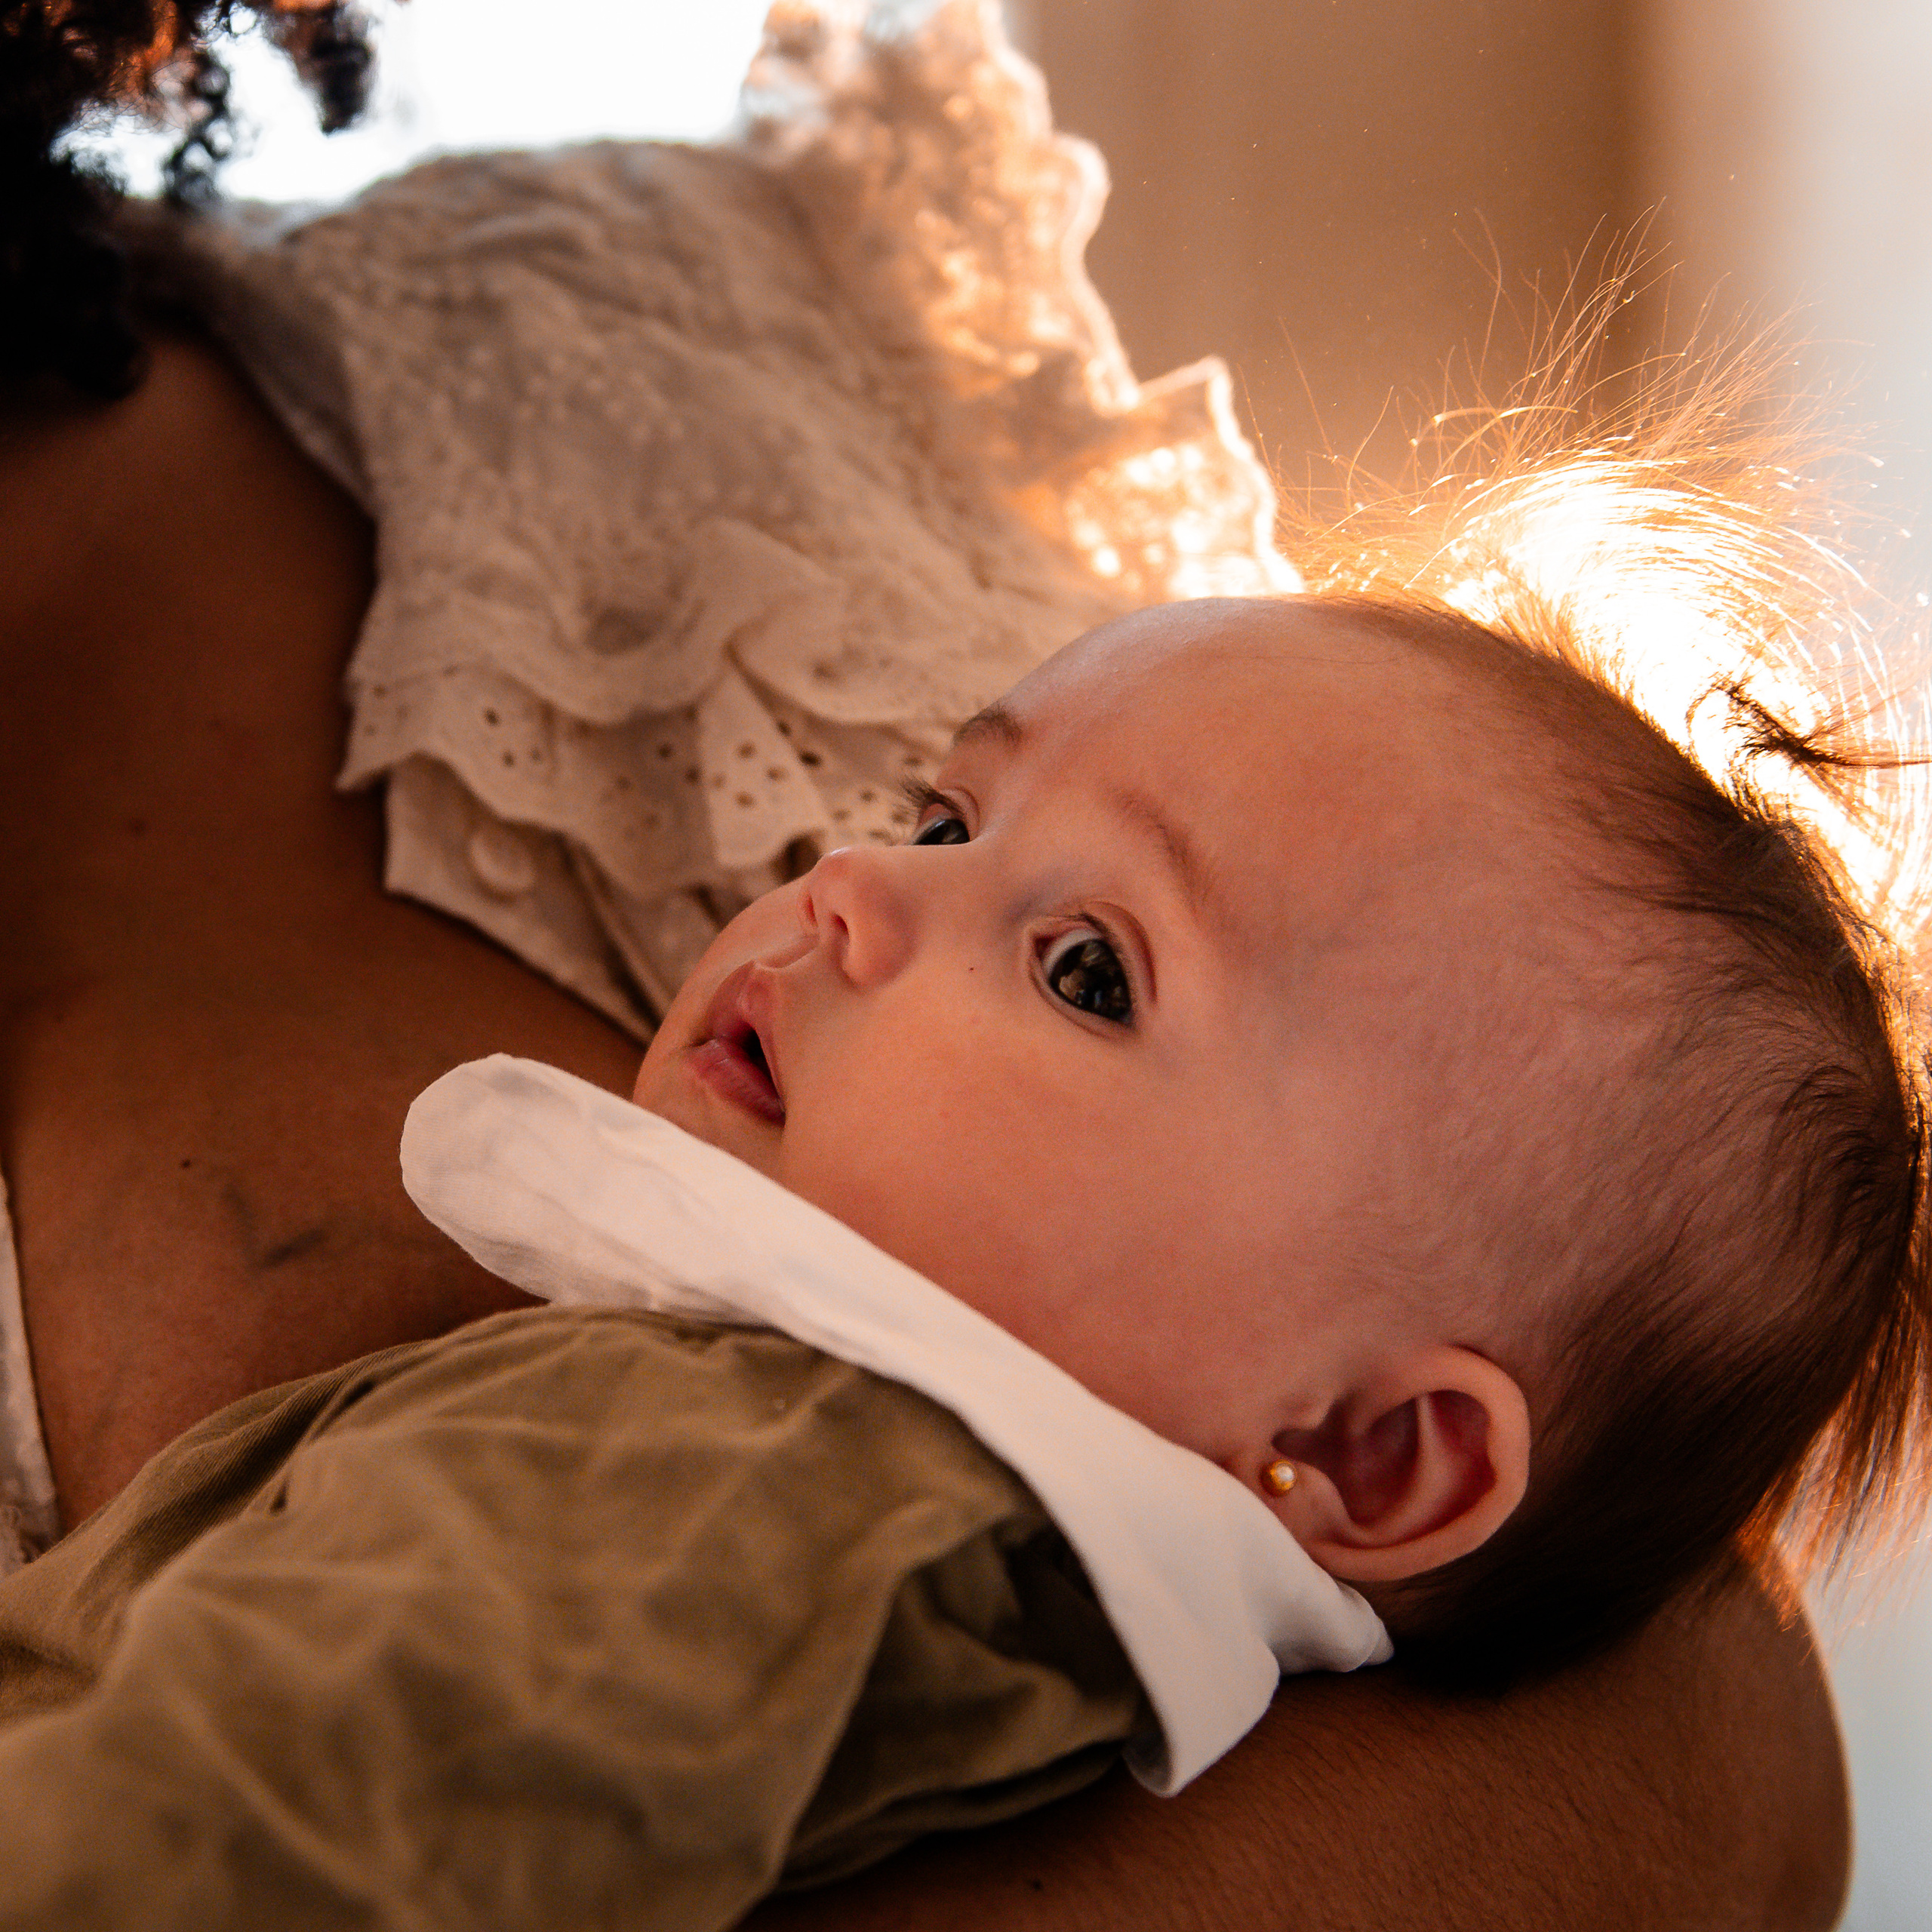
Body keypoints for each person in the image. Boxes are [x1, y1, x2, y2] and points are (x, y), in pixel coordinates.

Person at [0, 1, 1854, 1926]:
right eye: (944, 816)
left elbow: (208, 1848)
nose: (850, 884)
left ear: (1369, 1450)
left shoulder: (728, 1486)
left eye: (1084, 970)